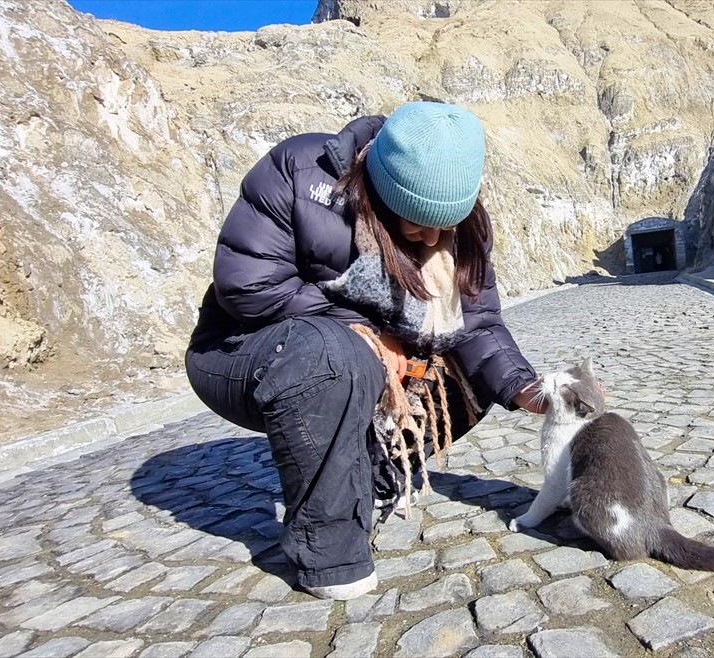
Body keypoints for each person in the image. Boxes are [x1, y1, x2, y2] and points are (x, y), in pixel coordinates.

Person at [185, 101, 546, 600]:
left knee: (471, 375)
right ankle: (328, 550)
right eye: (417, 220)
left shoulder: (461, 229)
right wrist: (370, 335)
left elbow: (477, 324)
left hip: (358, 356)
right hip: (244, 351)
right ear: (381, 189)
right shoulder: (302, 171)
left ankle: (372, 475)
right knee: (335, 354)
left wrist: (525, 388)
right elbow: (248, 286)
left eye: (446, 224)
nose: (433, 238)